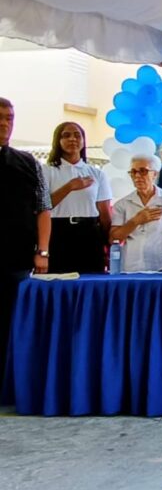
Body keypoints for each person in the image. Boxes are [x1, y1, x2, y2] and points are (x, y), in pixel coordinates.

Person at [0, 98, 51, 379]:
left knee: (12, 324)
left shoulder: (28, 162)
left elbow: (43, 208)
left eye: (9, 118)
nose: (5, 124)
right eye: (0, 118)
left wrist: (42, 251)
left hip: (17, 258)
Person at [42, 121, 113, 273]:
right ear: (58, 141)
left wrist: (108, 245)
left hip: (89, 233)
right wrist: (70, 187)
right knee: (58, 280)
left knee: (92, 280)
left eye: (77, 135)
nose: (72, 139)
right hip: (58, 232)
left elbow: (105, 214)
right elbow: (43, 206)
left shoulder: (97, 174)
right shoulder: (47, 171)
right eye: (66, 135)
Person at [110, 154, 162, 272]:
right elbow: (114, 239)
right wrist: (136, 220)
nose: (137, 176)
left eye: (143, 171)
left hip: (161, 266)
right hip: (130, 267)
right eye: (133, 172)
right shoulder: (122, 204)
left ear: (155, 174)